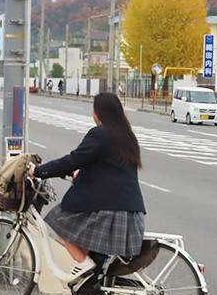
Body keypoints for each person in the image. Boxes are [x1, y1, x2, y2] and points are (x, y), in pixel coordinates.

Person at [28, 92, 145, 281]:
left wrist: (38, 171)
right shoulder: (127, 135)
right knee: (84, 240)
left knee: (57, 218)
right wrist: (81, 173)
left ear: (99, 112)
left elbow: (73, 160)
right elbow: (111, 168)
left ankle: (82, 264)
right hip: (131, 211)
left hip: (109, 211)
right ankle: (87, 279)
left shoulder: (100, 133)